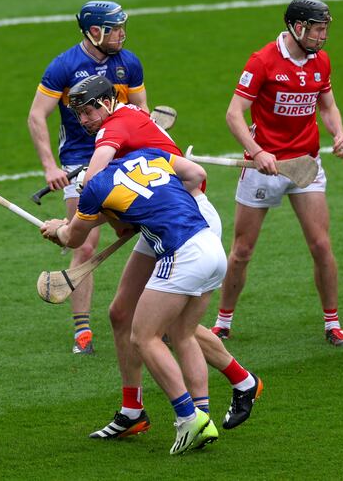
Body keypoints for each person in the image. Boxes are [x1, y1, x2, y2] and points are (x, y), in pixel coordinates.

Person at [65, 75, 262, 438]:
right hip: (165, 214)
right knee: (123, 312)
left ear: (107, 101)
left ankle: (211, 404)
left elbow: (96, 175)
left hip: (186, 216)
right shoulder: (131, 118)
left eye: (88, 109)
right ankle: (133, 410)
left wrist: (79, 191)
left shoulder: (116, 124)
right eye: (78, 114)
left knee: (168, 330)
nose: (84, 119)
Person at [41, 146, 225, 455]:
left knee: (143, 336)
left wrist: (57, 230)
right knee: (182, 334)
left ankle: (188, 418)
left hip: (180, 253)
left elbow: (73, 239)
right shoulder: (147, 156)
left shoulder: (94, 188)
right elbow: (196, 174)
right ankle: (203, 416)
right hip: (212, 246)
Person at [210, 0, 343, 346]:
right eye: (318, 29)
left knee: (321, 245)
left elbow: (327, 105)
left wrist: (339, 133)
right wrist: (257, 151)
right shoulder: (262, 61)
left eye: (324, 29)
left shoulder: (321, 61)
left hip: (305, 166)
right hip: (263, 169)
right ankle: (223, 321)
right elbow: (234, 114)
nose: (323, 36)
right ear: (298, 27)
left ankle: (332, 323)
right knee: (242, 251)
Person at [27, 0, 148, 354]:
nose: (122, 34)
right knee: (83, 242)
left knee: (144, 233)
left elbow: (141, 111)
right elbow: (37, 116)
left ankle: (158, 317)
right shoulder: (64, 66)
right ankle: (83, 333)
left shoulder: (129, 63)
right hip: (81, 159)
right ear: (94, 32)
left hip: (123, 155)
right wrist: (51, 166)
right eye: (115, 29)